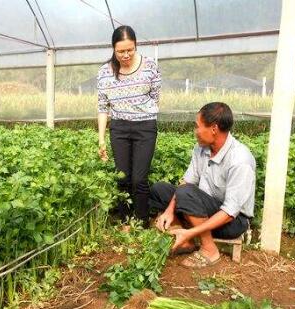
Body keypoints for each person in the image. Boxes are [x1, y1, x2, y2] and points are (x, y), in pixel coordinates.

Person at [150, 102, 256, 268]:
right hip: (204, 208)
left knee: (185, 193)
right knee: (160, 190)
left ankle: (209, 249)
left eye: (197, 126)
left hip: (232, 222)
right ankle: (185, 241)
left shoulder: (240, 160)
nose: (195, 132)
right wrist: (170, 212)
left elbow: (230, 212)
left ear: (214, 129)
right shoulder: (201, 148)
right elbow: (188, 182)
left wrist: (191, 230)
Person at [97, 25, 161, 230]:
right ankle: (125, 221)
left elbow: (155, 97)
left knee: (139, 178)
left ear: (136, 46)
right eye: (120, 51)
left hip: (145, 127)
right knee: (122, 176)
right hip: (119, 128)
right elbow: (102, 107)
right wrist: (101, 139)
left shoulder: (150, 66)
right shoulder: (105, 72)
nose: (125, 55)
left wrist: (142, 114)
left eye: (130, 50)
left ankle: (142, 222)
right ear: (113, 49)